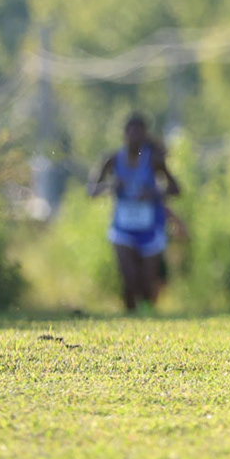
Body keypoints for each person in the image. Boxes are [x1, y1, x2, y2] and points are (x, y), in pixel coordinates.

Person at [87, 113, 183, 313]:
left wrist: (154, 193)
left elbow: (176, 189)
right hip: (123, 228)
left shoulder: (154, 160)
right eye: (131, 132)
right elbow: (92, 190)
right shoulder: (112, 160)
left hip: (150, 228)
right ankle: (130, 316)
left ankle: (147, 313)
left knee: (146, 283)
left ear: (145, 135)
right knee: (129, 277)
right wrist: (110, 186)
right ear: (124, 134)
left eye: (139, 133)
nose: (135, 138)